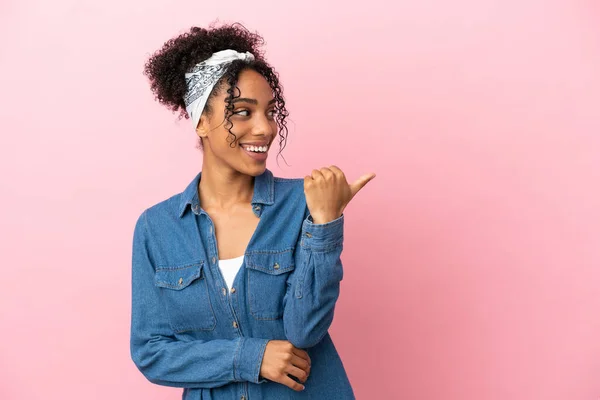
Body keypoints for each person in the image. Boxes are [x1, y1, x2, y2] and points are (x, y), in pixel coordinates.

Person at [130, 23, 375, 400]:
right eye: (243, 112)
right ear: (201, 121)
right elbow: (152, 352)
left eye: (270, 112)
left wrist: (325, 224)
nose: (265, 129)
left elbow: (304, 331)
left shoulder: (304, 202)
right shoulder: (157, 228)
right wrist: (251, 357)